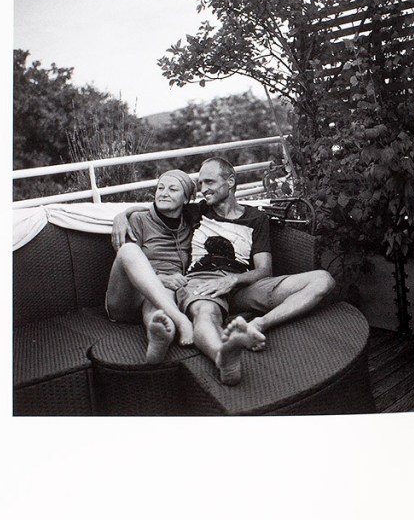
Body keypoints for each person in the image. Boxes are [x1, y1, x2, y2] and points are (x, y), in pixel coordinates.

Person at [113, 157, 336, 386]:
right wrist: (124, 215)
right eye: (200, 184)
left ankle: (259, 325)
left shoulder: (256, 218)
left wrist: (234, 280)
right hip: (203, 283)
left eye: (209, 182)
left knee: (323, 280)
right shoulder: (197, 211)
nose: (203, 189)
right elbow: (161, 206)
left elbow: (264, 270)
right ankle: (222, 358)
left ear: (229, 182)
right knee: (205, 314)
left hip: (243, 285)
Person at [104, 170, 197, 364]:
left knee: (160, 310)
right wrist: (123, 214)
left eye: (172, 189)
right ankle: (181, 321)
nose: (164, 193)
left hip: (164, 296)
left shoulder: (191, 224)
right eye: (160, 188)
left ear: (186, 198)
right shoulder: (139, 219)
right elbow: (128, 264)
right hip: (127, 298)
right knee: (129, 250)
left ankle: (161, 337)